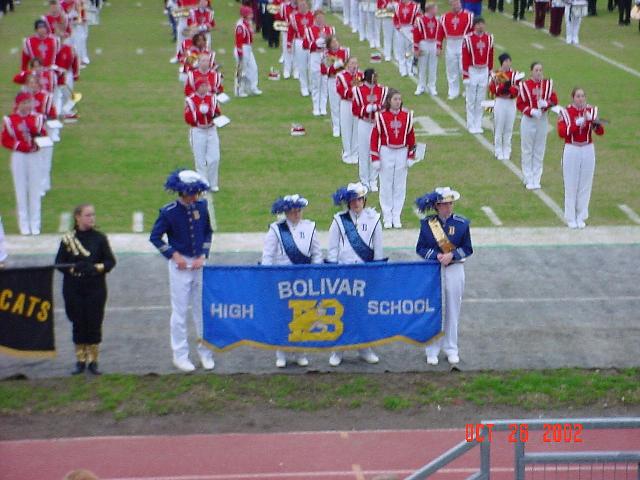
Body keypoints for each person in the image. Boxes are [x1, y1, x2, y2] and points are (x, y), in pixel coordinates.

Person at [149, 169, 215, 373]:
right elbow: (155, 237)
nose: (195, 197)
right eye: (192, 193)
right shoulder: (169, 212)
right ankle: (180, 355)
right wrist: (173, 255)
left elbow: (207, 232)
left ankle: (206, 352)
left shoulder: (202, 207)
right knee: (179, 312)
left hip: (199, 263)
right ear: (183, 192)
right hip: (180, 264)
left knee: (201, 311)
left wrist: (203, 255)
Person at [261, 194, 322, 367]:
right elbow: (268, 255)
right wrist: (268, 277)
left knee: (303, 315)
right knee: (283, 316)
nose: (296, 214)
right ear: (286, 212)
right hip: (283, 281)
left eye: (298, 211)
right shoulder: (276, 229)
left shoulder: (310, 227)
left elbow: (317, 254)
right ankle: (281, 353)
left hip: (304, 280)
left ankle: (300, 352)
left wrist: (315, 273)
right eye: (292, 211)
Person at [55, 204, 116, 375]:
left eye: (93, 215)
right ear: (78, 217)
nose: (92, 218)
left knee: (94, 322)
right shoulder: (68, 239)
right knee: (78, 321)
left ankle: (93, 361)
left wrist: (95, 268)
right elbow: (59, 263)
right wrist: (73, 268)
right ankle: (80, 360)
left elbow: (110, 261)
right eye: (88, 215)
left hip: (95, 287)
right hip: (73, 287)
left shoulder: (100, 238)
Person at [327, 182, 383, 367]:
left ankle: (364, 348)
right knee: (341, 311)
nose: (356, 203)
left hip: (365, 273)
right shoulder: (339, 220)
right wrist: (334, 271)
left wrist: (376, 272)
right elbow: (332, 248)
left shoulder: (374, 219)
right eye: (353, 200)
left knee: (363, 312)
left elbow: (378, 249)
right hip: (344, 273)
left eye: (359, 199)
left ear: (364, 200)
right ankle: (338, 349)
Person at [415, 187, 472, 366]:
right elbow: (420, 248)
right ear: (437, 206)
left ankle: (451, 348)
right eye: (444, 204)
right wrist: (437, 256)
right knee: (434, 310)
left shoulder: (462, 223)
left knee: (453, 310)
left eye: (450, 203)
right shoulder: (428, 224)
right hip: (433, 269)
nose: (448, 207)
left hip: (455, 268)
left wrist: (452, 255)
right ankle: (432, 349)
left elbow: (467, 248)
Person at [557, 88, 604, 229]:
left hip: (588, 148)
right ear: (573, 98)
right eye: (578, 96)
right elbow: (561, 133)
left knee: (585, 184)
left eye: (583, 96)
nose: (581, 99)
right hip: (572, 149)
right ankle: (570, 217)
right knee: (571, 184)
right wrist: (576, 124)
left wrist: (594, 123)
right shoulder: (565, 112)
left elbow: (600, 132)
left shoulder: (592, 110)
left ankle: (581, 216)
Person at [370, 89, 416, 229]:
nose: (397, 102)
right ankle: (387, 216)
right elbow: (374, 138)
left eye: (399, 99)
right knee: (386, 184)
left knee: (400, 185)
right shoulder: (381, 116)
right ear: (389, 101)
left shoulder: (407, 116)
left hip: (402, 152)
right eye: (395, 99)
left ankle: (396, 215)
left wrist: (411, 155)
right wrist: (375, 157)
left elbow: (411, 137)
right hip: (386, 151)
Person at [1, 92, 46, 236]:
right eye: (24, 103)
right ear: (18, 104)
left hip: (34, 156)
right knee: (20, 190)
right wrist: (20, 145)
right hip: (19, 156)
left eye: (28, 102)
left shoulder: (37, 118)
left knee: (35, 189)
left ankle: (35, 224)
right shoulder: (10, 120)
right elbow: (5, 140)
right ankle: (24, 225)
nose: (27, 105)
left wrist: (38, 141)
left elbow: (44, 134)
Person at [517, 61, 557, 189]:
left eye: (540, 70)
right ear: (531, 72)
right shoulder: (525, 85)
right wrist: (531, 111)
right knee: (527, 149)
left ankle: (537, 178)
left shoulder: (547, 84)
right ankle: (528, 177)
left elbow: (554, 100)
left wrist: (547, 104)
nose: (539, 72)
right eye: (536, 70)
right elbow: (520, 104)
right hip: (529, 120)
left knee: (539, 150)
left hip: (542, 119)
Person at [352, 68, 388, 191]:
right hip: (364, 123)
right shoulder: (358, 91)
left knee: (376, 151)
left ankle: (373, 180)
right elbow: (355, 110)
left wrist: (378, 107)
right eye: (374, 76)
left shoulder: (382, 90)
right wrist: (365, 109)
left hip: (376, 124)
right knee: (363, 151)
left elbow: (386, 107)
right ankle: (364, 180)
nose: (376, 78)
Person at [185, 77, 222, 192]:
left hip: (211, 130)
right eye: (202, 86)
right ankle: (202, 184)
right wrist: (199, 113)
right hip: (198, 131)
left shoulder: (212, 98)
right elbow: (188, 118)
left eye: (206, 85)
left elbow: (218, 113)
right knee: (200, 159)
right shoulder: (191, 100)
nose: (205, 88)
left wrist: (212, 113)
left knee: (214, 158)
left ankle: (213, 183)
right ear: (197, 87)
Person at [461, 17, 493, 134]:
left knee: (480, 99)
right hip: (472, 70)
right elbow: (465, 57)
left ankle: (478, 123)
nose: (480, 26)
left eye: (482, 24)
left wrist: (490, 73)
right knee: (471, 99)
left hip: (484, 70)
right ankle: (470, 124)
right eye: (478, 24)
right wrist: (466, 76)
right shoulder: (468, 39)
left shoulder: (489, 38)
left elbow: (491, 56)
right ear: (474, 26)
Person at [438, 0, 473, 100]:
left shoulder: (468, 16)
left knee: (464, 68)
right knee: (451, 68)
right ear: (450, 4)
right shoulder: (444, 17)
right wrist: (439, 46)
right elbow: (440, 33)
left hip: (463, 43)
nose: (456, 5)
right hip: (450, 43)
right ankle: (453, 91)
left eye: (458, 3)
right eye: (454, 3)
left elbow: (472, 31)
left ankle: (468, 90)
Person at [489, 53, 521, 161]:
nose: (508, 63)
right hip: (500, 102)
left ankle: (507, 150)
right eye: (505, 61)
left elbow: (517, 89)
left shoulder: (515, 74)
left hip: (511, 102)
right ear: (502, 63)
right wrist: (503, 88)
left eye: (509, 61)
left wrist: (509, 90)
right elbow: (493, 89)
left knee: (509, 128)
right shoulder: (496, 73)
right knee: (499, 127)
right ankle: (498, 150)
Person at [304, 10, 335, 116]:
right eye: (318, 18)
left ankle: (323, 107)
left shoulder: (330, 29)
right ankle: (316, 107)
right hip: (315, 56)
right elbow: (306, 45)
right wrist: (317, 42)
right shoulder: (309, 30)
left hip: (327, 56)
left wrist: (326, 41)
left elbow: (333, 45)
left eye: (322, 18)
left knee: (325, 82)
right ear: (315, 19)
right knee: (316, 83)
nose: (320, 20)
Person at [336, 56, 362, 164]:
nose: (354, 65)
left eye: (356, 63)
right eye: (352, 63)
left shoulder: (361, 75)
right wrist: (354, 90)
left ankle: (355, 153)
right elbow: (341, 91)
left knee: (356, 128)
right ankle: (347, 153)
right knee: (346, 128)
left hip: (357, 103)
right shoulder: (341, 76)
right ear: (347, 64)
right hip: (346, 103)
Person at [322, 36, 349, 137]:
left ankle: (344, 126)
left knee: (344, 104)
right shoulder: (326, 54)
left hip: (343, 80)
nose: (335, 43)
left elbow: (347, 66)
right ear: (329, 45)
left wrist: (339, 66)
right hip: (332, 80)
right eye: (333, 42)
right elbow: (326, 71)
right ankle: (336, 127)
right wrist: (335, 66)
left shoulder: (345, 51)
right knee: (334, 105)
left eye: (336, 41)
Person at [413, 3, 442, 97]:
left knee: (433, 66)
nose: (436, 10)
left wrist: (439, 47)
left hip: (433, 43)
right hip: (424, 43)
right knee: (422, 66)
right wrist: (416, 48)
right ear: (430, 9)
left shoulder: (437, 20)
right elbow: (416, 34)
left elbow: (440, 34)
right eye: (435, 9)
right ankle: (421, 85)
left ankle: (432, 86)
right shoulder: (420, 20)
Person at [287, 0, 314, 97]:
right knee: (302, 66)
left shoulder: (313, 15)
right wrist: (289, 45)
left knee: (312, 66)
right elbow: (290, 32)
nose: (302, 7)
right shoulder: (294, 17)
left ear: (307, 5)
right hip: (300, 41)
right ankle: (304, 87)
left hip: (311, 42)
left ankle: (312, 86)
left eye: (304, 5)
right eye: (300, 5)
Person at [235, 6, 262, 97]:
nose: (252, 15)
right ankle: (239, 90)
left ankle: (253, 87)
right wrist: (240, 53)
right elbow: (239, 41)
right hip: (243, 48)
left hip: (248, 48)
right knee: (242, 70)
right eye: (250, 13)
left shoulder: (248, 23)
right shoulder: (240, 25)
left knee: (254, 67)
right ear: (245, 14)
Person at [393, 0, 419, 77]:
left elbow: (418, 18)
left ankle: (410, 69)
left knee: (410, 50)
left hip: (410, 29)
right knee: (401, 49)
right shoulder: (397, 6)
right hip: (400, 30)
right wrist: (398, 27)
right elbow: (395, 19)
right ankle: (402, 70)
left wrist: (414, 28)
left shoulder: (415, 7)